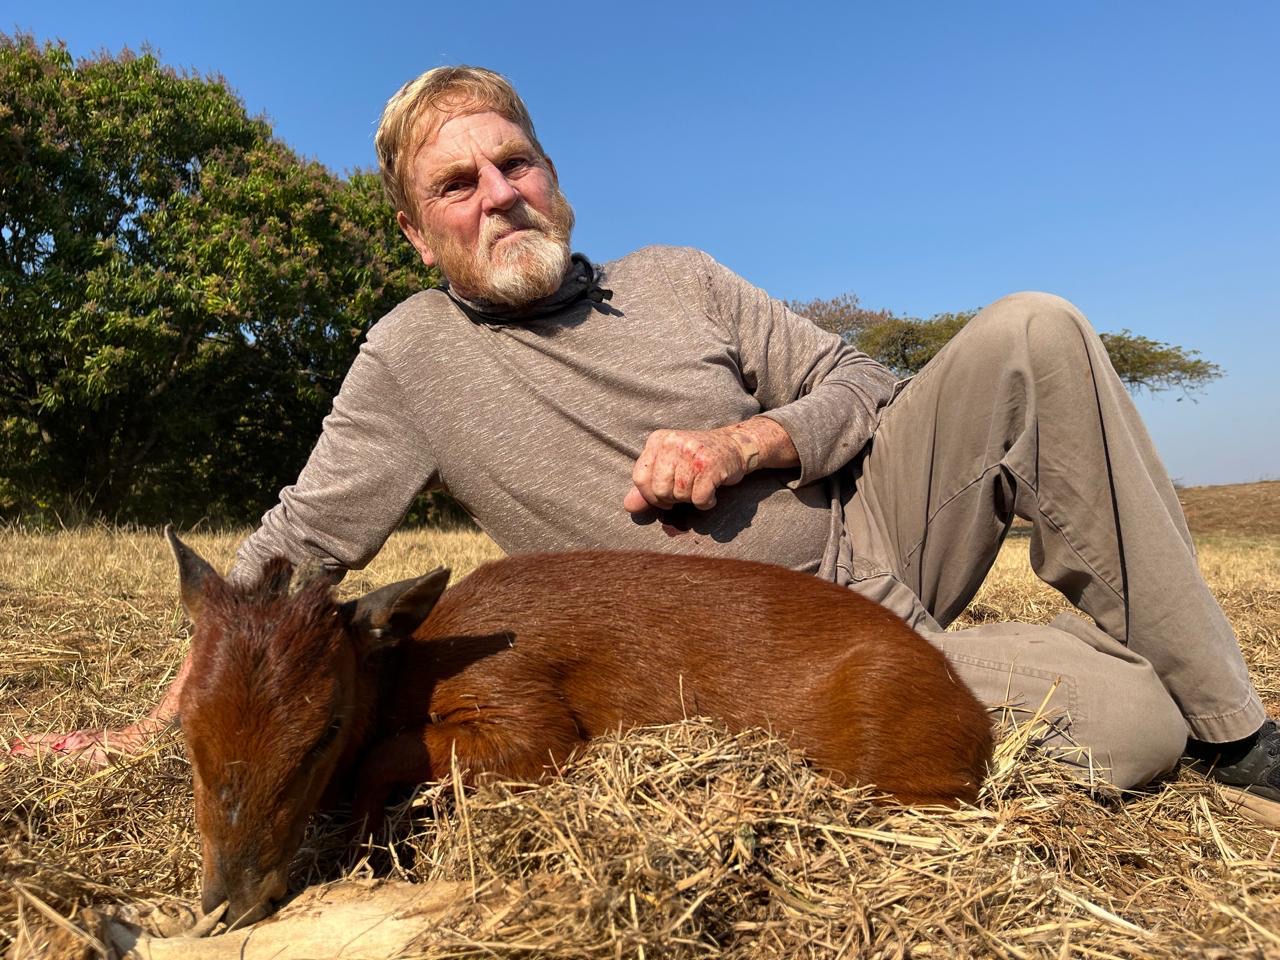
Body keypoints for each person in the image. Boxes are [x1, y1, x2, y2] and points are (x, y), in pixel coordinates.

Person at [13, 66, 1278, 823]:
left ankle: (1236, 729)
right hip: (761, 658)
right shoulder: (409, 354)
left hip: (880, 537)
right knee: (1129, 729)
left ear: (553, 174)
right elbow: (295, 548)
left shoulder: (678, 276)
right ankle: (1123, 680)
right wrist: (166, 718)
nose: (499, 195)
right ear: (413, 231)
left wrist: (749, 439)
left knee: (1033, 331)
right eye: (457, 185)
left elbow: (863, 386)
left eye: (515, 163)